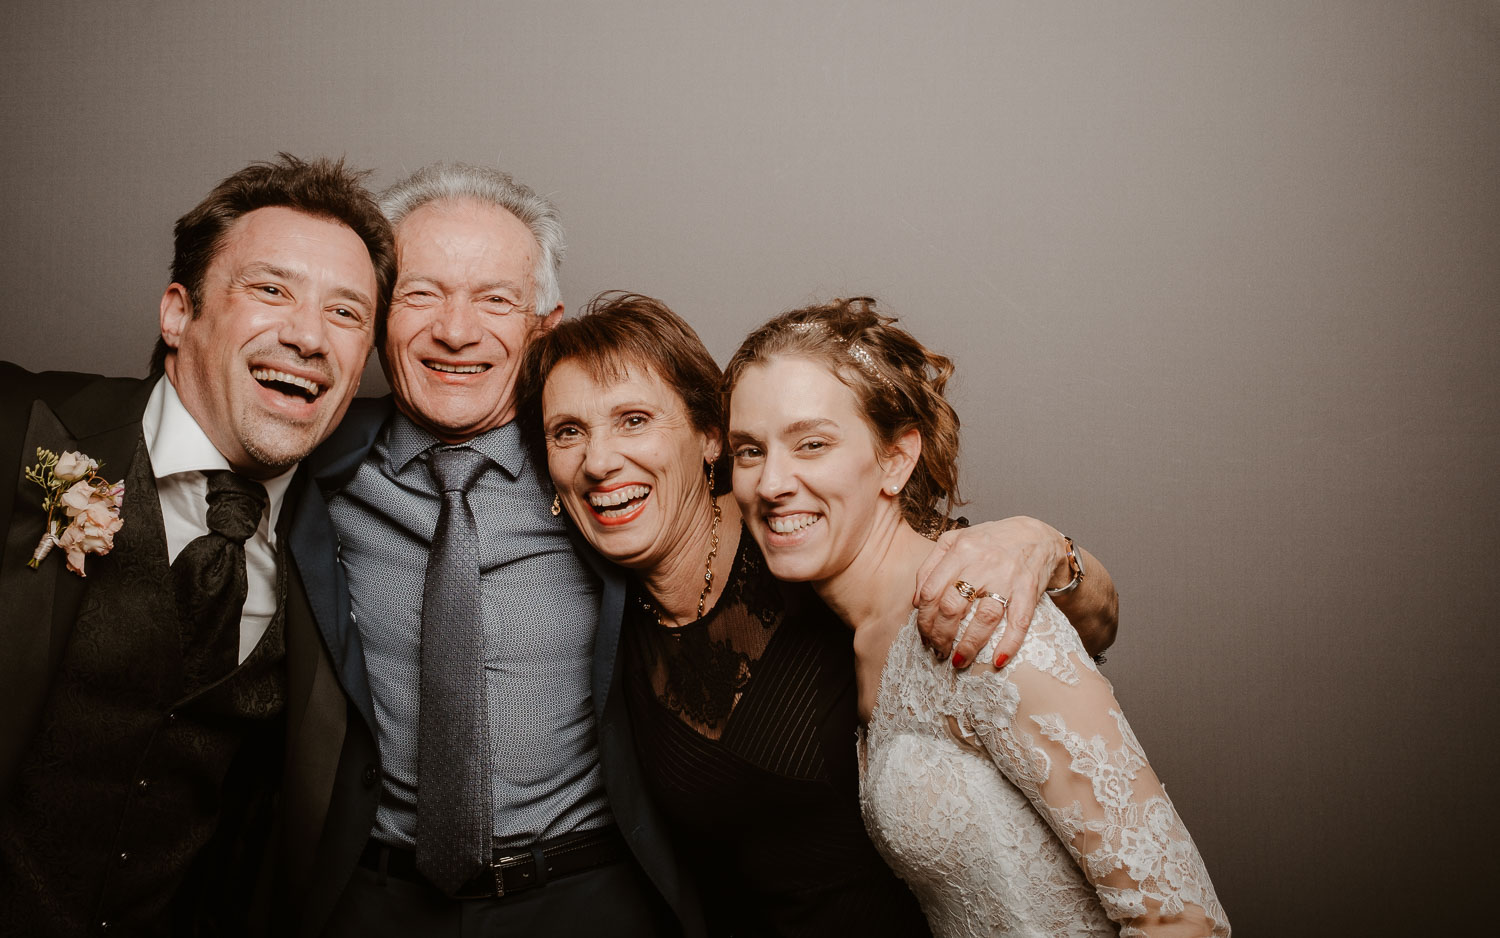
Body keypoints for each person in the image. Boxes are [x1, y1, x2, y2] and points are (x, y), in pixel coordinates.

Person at [515, 291, 1120, 936]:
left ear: (710, 436)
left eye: (634, 419)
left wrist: (1043, 546)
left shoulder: (801, 534)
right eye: (568, 432)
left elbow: (1079, 628)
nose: (600, 461)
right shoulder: (594, 610)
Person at [723, 297, 1229, 936]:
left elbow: (1182, 922)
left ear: (895, 460)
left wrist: (1048, 546)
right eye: (748, 451)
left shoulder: (984, 612)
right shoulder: (859, 635)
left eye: (812, 444)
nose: (772, 483)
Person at [0, 153, 395, 935]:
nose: (309, 336)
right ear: (179, 313)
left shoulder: (346, 548)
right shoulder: (19, 432)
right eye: (272, 289)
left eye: (347, 314)